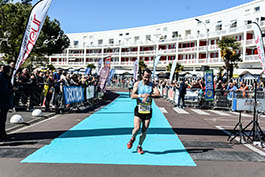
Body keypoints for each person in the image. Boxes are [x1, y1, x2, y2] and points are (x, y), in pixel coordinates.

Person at [127, 68, 160, 154]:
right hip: (139, 108)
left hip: (148, 110)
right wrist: (140, 95)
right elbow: (132, 95)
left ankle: (139, 146)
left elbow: (158, 94)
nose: (147, 79)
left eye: (148, 77)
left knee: (144, 130)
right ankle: (132, 138)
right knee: (137, 128)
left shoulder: (152, 85)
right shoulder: (137, 84)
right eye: (145, 77)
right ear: (142, 76)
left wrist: (150, 95)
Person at [0, 65, 13, 139]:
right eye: (10, 71)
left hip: (4, 101)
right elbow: (4, 90)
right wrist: (12, 89)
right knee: (2, 118)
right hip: (2, 101)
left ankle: (2, 132)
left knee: (3, 118)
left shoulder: (5, 78)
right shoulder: (3, 78)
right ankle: (2, 133)